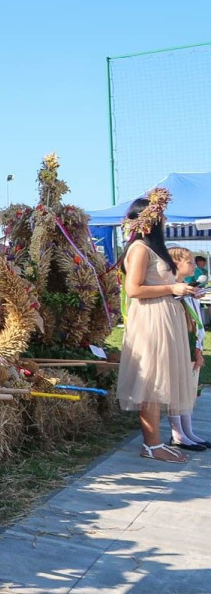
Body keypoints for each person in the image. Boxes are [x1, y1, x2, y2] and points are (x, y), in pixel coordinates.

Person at [118, 189, 200, 463]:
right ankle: (151, 445)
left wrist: (182, 291)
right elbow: (133, 289)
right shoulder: (140, 248)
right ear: (147, 221)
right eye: (160, 217)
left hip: (164, 316)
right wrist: (171, 287)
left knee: (160, 379)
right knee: (151, 381)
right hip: (151, 319)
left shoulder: (154, 249)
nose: (164, 222)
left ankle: (156, 442)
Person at [165, 246, 207, 450]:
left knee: (189, 389)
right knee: (178, 389)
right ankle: (177, 434)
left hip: (192, 343)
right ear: (175, 265)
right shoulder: (172, 289)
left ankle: (187, 431)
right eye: (189, 262)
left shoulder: (186, 288)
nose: (193, 265)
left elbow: (195, 320)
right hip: (180, 344)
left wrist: (199, 347)